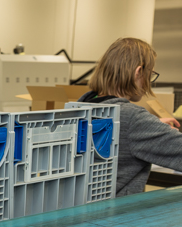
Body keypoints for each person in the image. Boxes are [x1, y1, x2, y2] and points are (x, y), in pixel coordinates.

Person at [78, 37, 182, 196]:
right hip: (117, 210)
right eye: (150, 74)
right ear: (138, 72)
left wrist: (152, 124)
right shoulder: (133, 119)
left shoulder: (83, 106)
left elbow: (121, 130)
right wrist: (144, 124)